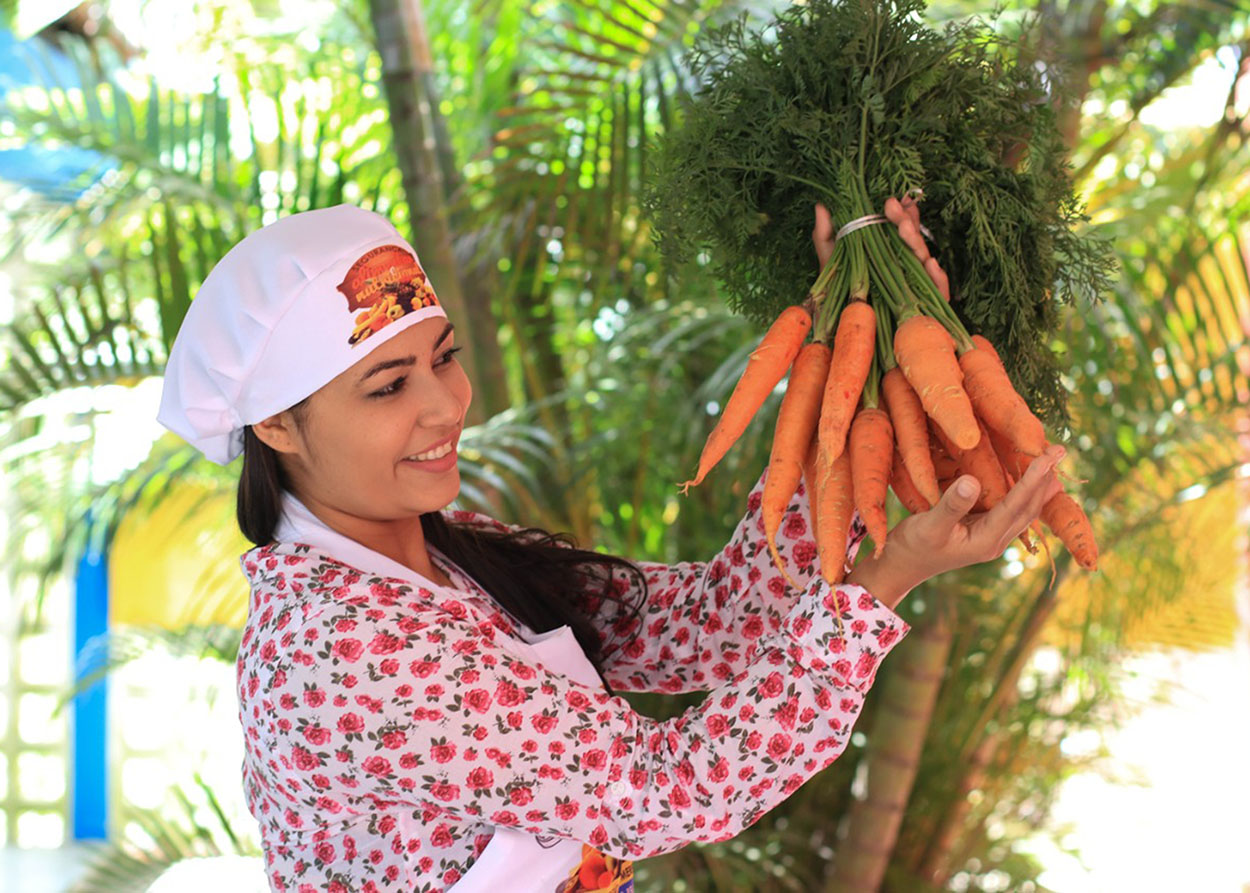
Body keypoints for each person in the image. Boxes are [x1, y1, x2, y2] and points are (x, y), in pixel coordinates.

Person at [156, 204, 1064, 893]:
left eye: (444, 355)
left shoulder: (452, 562)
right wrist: (887, 578)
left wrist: (856, 350)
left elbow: (714, 623)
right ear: (275, 421)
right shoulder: (340, 648)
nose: (445, 404)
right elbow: (675, 785)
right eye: (389, 385)